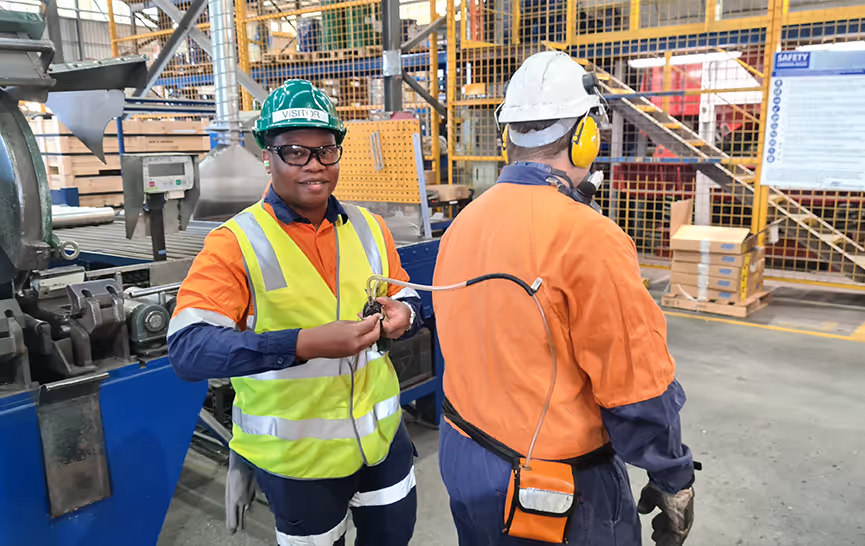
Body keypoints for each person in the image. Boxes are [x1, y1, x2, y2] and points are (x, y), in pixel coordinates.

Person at [433, 51, 696, 546]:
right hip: (550, 490)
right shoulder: (588, 236)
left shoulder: (463, 223)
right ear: (586, 137)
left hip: (466, 459)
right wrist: (673, 477)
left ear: (506, 136)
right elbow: (636, 387)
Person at [167, 79, 422, 546]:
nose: (315, 167)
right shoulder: (235, 244)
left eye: (326, 151)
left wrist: (403, 316)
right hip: (298, 465)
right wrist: (304, 344)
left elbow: (407, 296)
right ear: (268, 154)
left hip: (383, 445)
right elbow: (189, 350)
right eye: (295, 153)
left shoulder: (370, 228)